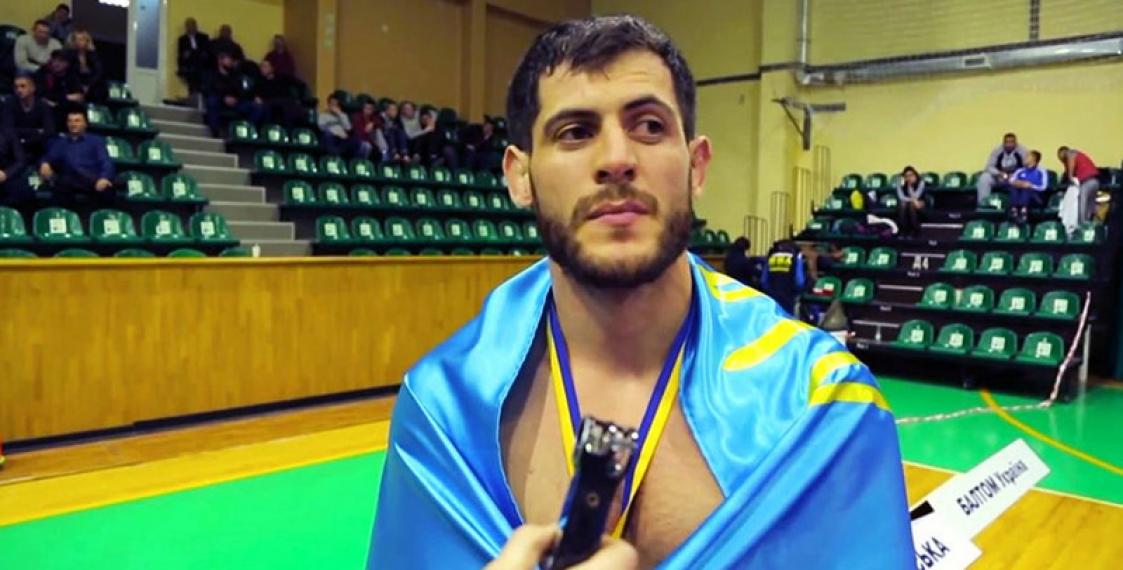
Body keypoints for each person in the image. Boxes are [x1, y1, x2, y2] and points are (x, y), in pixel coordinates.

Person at [368, 15, 912, 569]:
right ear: (519, 176)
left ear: (697, 166)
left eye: (649, 126)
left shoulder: (820, 402)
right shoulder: (441, 409)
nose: (616, 159)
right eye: (575, 132)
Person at [39, 108, 114, 207]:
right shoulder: (60, 142)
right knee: (60, 187)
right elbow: (48, 157)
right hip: (70, 181)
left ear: (85, 124)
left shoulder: (96, 141)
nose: (73, 124)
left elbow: (106, 162)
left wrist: (104, 177)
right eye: (70, 121)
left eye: (77, 121)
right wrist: (44, 163)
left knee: (107, 191)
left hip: (92, 180)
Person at [202, 51, 263, 137]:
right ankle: (215, 131)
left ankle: (246, 129)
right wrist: (224, 97)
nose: (231, 62)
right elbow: (209, 90)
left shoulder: (236, 75)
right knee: (212, 101)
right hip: (220, 101)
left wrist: (236, 98)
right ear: (220, 61)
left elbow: (242, 90)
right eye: (228, 59)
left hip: (236, 101)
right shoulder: (212, 75)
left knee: (257, 107)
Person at [2, 74, 56, 158]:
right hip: (14, 146)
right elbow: (8, 129)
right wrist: (36, 131)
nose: (19, 90)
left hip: (37, 146)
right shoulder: (9, 104)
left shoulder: (42, 106)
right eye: (16, 87)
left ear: (33, 88)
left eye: (23, 86)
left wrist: (25, 138)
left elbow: (50, 131)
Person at [976, 132, 1027, 207]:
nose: (1009, 145)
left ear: (1015, 143)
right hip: (999, 177)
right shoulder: (997, 150)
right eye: (1007, 142)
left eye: (1011, 142)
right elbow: (989, 167)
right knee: (984, 178)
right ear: (1003, 143)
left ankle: (1019, 207)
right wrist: (999, 173)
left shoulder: (1022, 151)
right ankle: (983, 204)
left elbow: (1027, 167)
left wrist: (1016, 175)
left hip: (1015, 178)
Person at [34, 50, 83, 125]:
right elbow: (43, 95)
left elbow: (78, 95)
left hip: (65, 107)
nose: (56, 63)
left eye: (61, 61)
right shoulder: (43, 72)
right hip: (47, 107)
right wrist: (66, 97)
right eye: (54, 60)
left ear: (68, 63)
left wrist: (61, 99)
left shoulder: (71, 74)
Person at [255, 59, 305, 129]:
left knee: (292, 108)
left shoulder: (282, 77)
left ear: (272, 68)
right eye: (261, 66)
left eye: (265, 66)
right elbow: (255, 93)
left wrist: (299, 98)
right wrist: (257, 97)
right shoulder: (260, 81)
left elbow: (300, 85)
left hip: (286, 101)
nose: (262, 69)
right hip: (269, 103)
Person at [1057, 146, 1100, 223]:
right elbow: (1067, 172)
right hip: (1095, 182)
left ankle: (1081, 225)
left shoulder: (1070, 153)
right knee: (1089, 206)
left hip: (1087, 182)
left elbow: (1070, 170)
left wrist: (1070, 177)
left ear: (1063, 152)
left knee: (1081, 204)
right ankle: (1088, 225)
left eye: (1059, 156)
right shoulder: (1077, 156)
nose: (1060, 159)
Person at [318, 94, 366, 158]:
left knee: (357, 140)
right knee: (327, 135)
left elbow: (349, 128)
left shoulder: (343, 115)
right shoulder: (323, 115)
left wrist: (340, 114)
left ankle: (355, 162)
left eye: (336, 104)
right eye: (332, 104)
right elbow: (322, 128)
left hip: (342, 140)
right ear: (328, 105)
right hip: (331, 138)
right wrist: (336, 133)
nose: (334, 106)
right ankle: (335, 157)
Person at [1008, 150, 1047, 225]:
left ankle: (1022, 212)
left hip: (1035, 198)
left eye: (1027, 156)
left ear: (1034, 159)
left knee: (1027, 189)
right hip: (1019, 197)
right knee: (1014, 188)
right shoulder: (1020, 170)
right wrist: (1018, 183)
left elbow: (1043, 187)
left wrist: (1030, 185)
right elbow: (1011, 181)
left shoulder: (1041, 171)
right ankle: (1015, 210)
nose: (1024, 158)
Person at [65, 29, 105, 103]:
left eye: (83, 39)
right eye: (78, 39)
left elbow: (98, 72)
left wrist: (88, 85)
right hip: (75, 82)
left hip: (91, 83)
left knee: (100, 87)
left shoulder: (93, 55)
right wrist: (80, 87)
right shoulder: (69, 55)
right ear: (74, 42)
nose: (81, 42)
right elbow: (71, 73)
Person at [176, 18, 211, 98]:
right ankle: (193, 97)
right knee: (191, 73)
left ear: (196, 26)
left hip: (202, 63)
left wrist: (194, 53)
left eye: (192, 25)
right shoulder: (182, 39)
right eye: (188, 26)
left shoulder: (204, 37)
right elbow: (181, 54)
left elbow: (206, 51)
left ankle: (200, 97)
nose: (190, 28)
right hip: (189, 64)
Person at [0, 125, 31, 206]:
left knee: (24, 191)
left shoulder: (8, 133)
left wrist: (6, 174)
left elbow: (21, 161)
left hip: (6, 176)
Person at [895, 165, 925, 238]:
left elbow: (917, 195)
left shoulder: (921, 182)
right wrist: (904, 184)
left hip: (920, 201)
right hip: (909, 202)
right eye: (906, 176)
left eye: (911, 175)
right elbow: (901, 197)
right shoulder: (901, 183)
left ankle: (914, 230)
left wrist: (910, 187)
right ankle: (903, 230)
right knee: (903, 204)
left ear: (915, 175)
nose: (909, 178)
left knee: (912, 205)